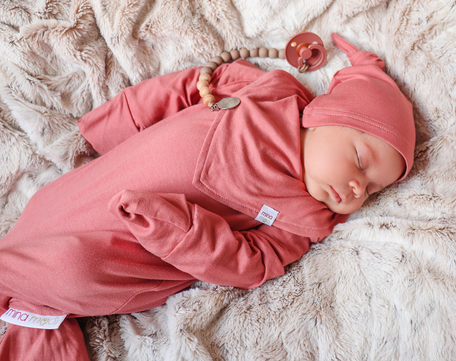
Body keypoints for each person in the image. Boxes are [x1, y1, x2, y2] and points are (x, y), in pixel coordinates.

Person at [0, 33, 415, 360]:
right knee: (45, 210)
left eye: (373, 189)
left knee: (70, 267)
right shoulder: (263, 92)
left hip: (127, 245)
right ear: (323, 117)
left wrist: (181, 232)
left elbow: (250, 263)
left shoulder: (301, 220)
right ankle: (28, 303)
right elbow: (184, 89)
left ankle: (34, 301)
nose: (359, 187)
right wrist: (117, 124)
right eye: (360, 161)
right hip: (82, 190)